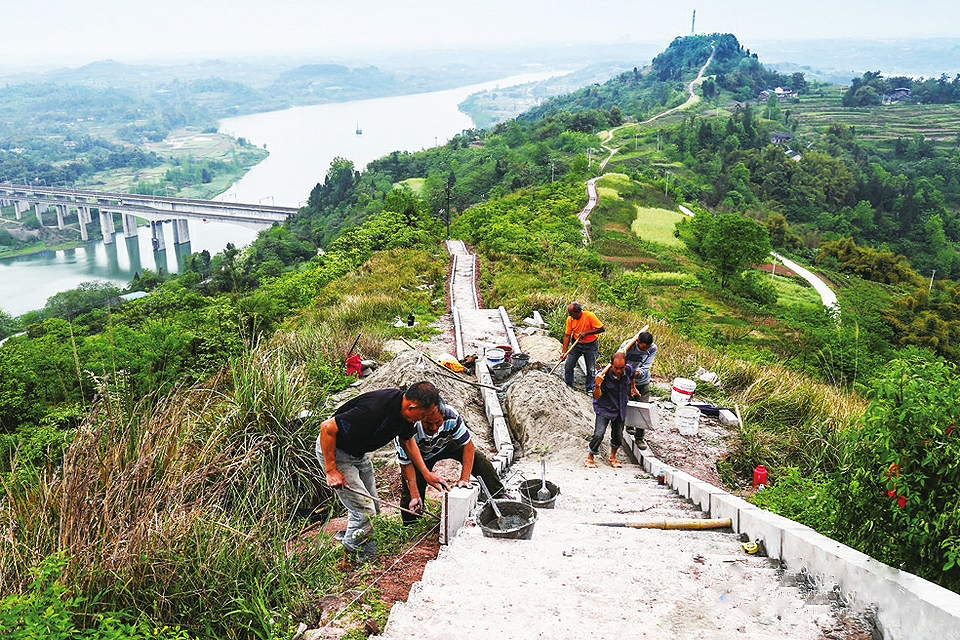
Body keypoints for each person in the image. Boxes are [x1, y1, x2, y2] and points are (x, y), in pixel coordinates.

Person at [316, 381, 449, 563]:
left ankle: (367, 556)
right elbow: (327, 428)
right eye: (423, 415)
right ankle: (349, 558)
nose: (422, 420)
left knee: (373, 509)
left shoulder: (404, 415)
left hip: (358, 453)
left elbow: (408, 442)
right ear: (412, 407)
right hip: (336, 452)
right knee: (364, 511)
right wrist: (331, 470)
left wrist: (426, 473)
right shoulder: (373, 408)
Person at [396, 399, 505, 525]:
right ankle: (412, 525)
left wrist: (465, 478)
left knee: (478, 458)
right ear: (421, 418)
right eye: (428, 423)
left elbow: (468, 446)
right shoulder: (407, 426)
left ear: (443, 416)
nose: (433, 427)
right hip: (418, 455)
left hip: (445, 445)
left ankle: (498, 494)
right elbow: (405, 464)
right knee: (410, 493)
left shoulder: (451, 416)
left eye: (438, 422)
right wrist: (415, 493)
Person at [586, 352, 638, 469]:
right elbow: (597, 396)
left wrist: (633, 387)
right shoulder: (602, 375)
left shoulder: (628, 370)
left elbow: (632, 375)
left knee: (618, 434)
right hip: (604, 407)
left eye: (622, 368)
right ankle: (590, 457)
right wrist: (598, 385)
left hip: (620, 407)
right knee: (599, 434)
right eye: (616, 368)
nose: (619, 371)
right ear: (611, 365)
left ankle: (613, 457)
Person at [620, 330, 658, 450]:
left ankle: (639, 438)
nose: (647, 349)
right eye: (644, 347)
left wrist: (635, 374)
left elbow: (646, 366)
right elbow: (619, 360)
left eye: (648, 347)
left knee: (643, 408)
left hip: (642, 381)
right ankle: (629, 426)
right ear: (638, 342)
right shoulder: (627, 345)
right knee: (627, 405)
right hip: (625, 380)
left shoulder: (652, 348)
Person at [562, 302, 605, 393]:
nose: (570, 316)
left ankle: (589, 388)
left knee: (591, 369)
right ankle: (568, 386)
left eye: (571, 313)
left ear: (578, 312)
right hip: (576, 345)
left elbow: (602, 329)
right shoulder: (570, 319)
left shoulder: (589, 316)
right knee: (568, 365)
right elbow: (567, 335)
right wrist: (564, 352)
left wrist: (587, 333)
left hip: (590, 345)